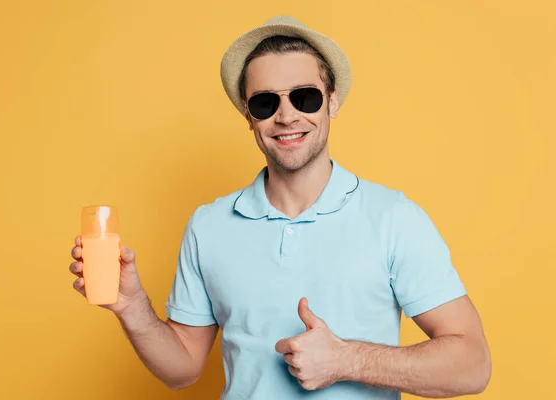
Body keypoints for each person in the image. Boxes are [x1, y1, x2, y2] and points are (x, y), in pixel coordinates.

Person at [69, 16, 491, 399]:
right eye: (265, 103)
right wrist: (132, 306)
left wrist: (348, 360)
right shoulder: (209, 225)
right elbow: (182, 369)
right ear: (248, 117)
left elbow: (472, 365)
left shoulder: (393, 218)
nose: (286, 117)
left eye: (305, 97)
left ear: (333, 101)